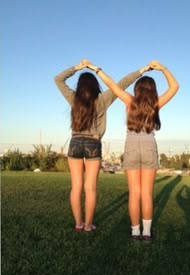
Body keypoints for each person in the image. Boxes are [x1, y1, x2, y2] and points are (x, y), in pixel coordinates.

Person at [83, 59, 179, 240]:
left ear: (137, 89)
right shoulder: (155, 104)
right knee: (147, 193)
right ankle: (147, 233)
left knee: (134, 193)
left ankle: (135, 233)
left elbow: (111, 84)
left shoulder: (129, 100)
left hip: (131, 146)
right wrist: (163, 68)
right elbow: (175, 86)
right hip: (150, 145)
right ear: (153, 90)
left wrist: (97, 69)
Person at [54, 60, 151, 232]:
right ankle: (89, 225)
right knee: (90, 187)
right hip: (93, 142)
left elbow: (58, 79)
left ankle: (78, 224)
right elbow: (121, 84)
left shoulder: (73, 99)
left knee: (76, 187)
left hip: (75, 141)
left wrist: (76, 68)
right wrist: (141, 71)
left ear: (80, 85)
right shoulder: (103, 99)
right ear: (94, 86)